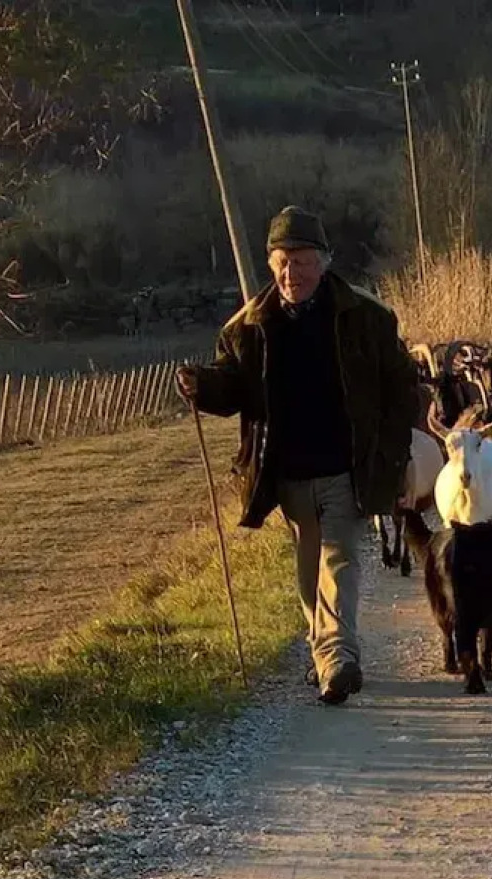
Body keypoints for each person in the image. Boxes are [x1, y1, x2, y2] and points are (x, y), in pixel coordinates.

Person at [176, 207, 420, 705]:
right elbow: (234, 388)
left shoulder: (367, 318)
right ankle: (326, 652)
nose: (293, 273)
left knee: (341, 557)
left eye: (304, 262)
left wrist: (395, 452)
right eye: (284, 262)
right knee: (310, 569)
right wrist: (203, 386)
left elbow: (401, 386)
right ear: (271, 265)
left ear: (325, 262)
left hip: (345, 467)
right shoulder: (248, 327)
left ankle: (337, 660)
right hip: (286, 471)